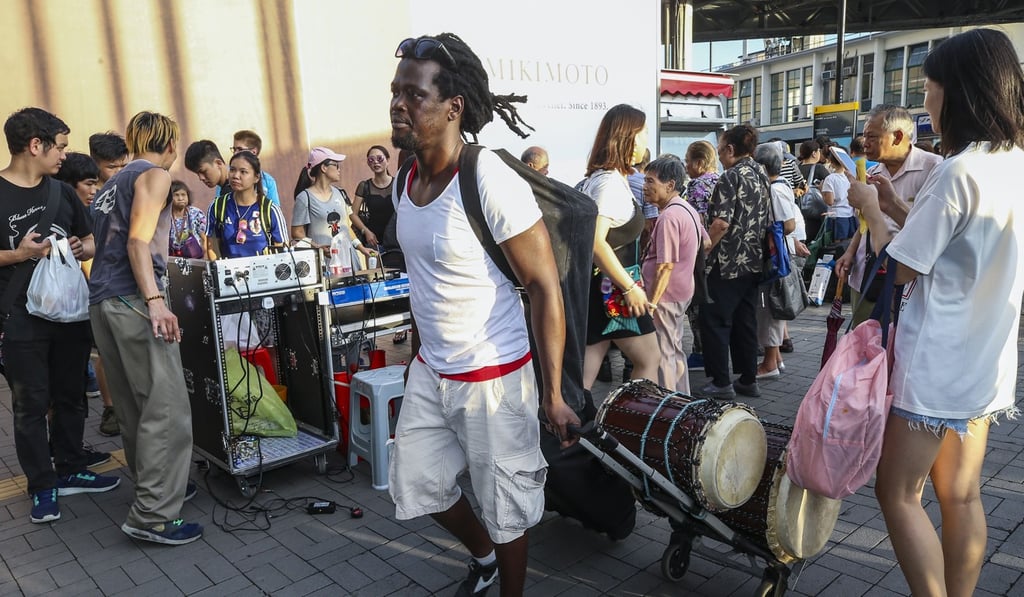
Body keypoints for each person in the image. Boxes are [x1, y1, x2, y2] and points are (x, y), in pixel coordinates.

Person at [388, 32, 578, 597]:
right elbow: (424, 281)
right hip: (432, 370)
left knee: (507, 507)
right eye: (395, 93)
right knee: (416, 484)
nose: (399, 104)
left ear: (454, 106)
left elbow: (545, 286)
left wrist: (553, 394)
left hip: (493, 378)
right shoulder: (405, 180)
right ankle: (484, 556)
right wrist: (416, 354)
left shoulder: (489, 177)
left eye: (413, 95)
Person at [846, 29, 1024, 597]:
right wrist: (899, 206)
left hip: (934, 363)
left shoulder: (957, 171)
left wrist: (873, 211)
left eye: (930, 88)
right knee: (963, 495)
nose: (926, 101)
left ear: (960, 93)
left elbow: (898, 268)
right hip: (986, 361)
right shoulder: (1014, 163)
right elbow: (958, 245)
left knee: (897, 492)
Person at [0, 107, 121, 524]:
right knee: (30, 404)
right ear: (36, 145)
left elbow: (89, 242)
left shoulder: (62, 192)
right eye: (61, 147)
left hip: (68, 313)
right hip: (18, 319)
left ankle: (70, 467)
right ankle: (42, 485)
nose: (65, 157)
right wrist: (20, 254)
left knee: (70, 395)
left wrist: (76, 247)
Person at [89, 111, 201, 545]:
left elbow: (107, 243)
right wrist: (156, 301)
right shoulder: (154, 176)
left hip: (104, 303)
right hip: (134, 301)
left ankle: (158, 489)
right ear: (170, 143)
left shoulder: (111, 183)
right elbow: (137, 241)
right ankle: (154, 515)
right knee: (166, 407)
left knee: (135, 409)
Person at [835, 105, 941, 326]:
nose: (865, 143)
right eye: (864, 136)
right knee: (863, 343)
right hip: (868, 273)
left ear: (897, 136)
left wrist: (887, 205)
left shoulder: (934, 169)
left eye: (872, 137)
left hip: (909, 280)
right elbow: (865, 224)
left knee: (897, 348)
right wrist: (851, 252)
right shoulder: (871, 173)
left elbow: (930, 230)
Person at [579, 104, 659, 389]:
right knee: (650, 358)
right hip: (613, 293)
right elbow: (596, 243)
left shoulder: (605, 179)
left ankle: (570, 429)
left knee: (584, 377)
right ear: (628, 137)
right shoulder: (609, 183)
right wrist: (629, 287)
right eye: (643, 133)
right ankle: (631, 427)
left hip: (604, 290)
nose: (646, 140)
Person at [696, 124, 770, 400]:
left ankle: (720, 381)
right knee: (745, 320)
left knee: (714, 320)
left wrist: (704, 251)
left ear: (730, 149)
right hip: (753, 259)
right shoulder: (760, 172)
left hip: (726, 262)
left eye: (720, 148)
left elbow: (720, 223)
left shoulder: (730, 177)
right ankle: (748, 378)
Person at [52, 152, 114, 466]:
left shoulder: (82, 213)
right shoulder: (52, 211)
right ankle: (64, 457)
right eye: (89, 183)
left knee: (72, 388)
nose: (94, 190)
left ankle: (69, 451)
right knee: (57, 393)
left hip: (73, 308)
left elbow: (88, 247)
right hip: (51, 315)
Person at [641, 156, 707, 394]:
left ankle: (669, 405)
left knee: (665, 352)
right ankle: (682, 399)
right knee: (674, 349)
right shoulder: (686, 208)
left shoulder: (669, 216)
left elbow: (664, 266)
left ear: (669, 184)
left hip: (666, 296)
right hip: (681, 290)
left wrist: (652, 303)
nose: (645, 186)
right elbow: (706, 242)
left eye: (650, 181)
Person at [88, 133, 129, 437]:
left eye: (122, 165)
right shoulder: (90, 196)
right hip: (99, 288)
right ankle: (110, 408)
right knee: (105, 354)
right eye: (111, 167)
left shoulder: (127, 188)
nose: (118, 171)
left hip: (123, 285)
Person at [751, 143, 797, 379]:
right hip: (778, 255)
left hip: (775, 258)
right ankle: (775, 358)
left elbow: (789, 224)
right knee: (771, 307)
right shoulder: (781, 186)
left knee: (769, 308)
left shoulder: (774, 190)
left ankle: (769, 363)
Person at [292, 147, 373, 270]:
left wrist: (361, 249)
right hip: (324, 264)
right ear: (323, 168)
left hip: (348, 260)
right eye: (336, 165)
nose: (339, 169)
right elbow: (297, 233)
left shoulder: (340, 193)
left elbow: (345, 228)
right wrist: (318, 247)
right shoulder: (304, 198)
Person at [205, 151, 288, 259]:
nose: (235, 176)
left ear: (256, 177)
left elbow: (282, 250)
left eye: (243, 172)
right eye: (232, 170)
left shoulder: (270, 209)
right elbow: (212, 248)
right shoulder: (217, 206)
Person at [681, 140, 719, 371]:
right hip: (723, 254)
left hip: (703, 251)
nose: (686, 166)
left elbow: (697, 222)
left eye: (688, 161)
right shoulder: (723, 180)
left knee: (696, 305)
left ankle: (700, 351)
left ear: (700, 162)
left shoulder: (697, 186)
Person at [351, 145, 396, 250]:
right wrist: (366, 231)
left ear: (388, 160)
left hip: (397, 241)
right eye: (371, 160)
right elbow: (353, 214)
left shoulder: (398, 183)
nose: (376, 162)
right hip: (374, 241)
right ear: (368, 163)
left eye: (380, 158)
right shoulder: (364, 186)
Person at [228, 130, 281, 205]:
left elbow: (274, 208)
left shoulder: (268, 181)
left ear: (253, 152)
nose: (235, 153)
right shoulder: (229, 175)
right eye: (234, 149)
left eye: (239, 149)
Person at [820, 147, 857, 241]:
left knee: (836, 246)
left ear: (831, 162)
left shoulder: (830, 178)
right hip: (851, 216)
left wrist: (821, 190)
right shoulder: (852, 177)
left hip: (836, 216)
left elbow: (830, 201)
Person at [167, 180, 207, 258]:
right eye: (176, 195)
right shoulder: (165, 216)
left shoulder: (196, 213)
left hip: (195, 259)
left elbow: (205, 238)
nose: (181, 198)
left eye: (183, 195)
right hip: (171, 259)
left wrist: (205, 259)